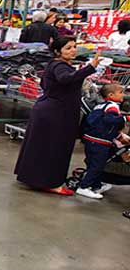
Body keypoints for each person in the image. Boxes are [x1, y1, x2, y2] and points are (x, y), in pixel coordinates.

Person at [14, 37, 101, 195]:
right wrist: (90, 68)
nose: (73, 50)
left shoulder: (56, 65)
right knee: (56, 148)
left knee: (42, 147)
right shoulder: (60, 66)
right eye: (68, 48)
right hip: (56, 114)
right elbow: (65, 79)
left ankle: (34, 178)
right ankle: (50, 183)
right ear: (57, 51)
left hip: (49, 111)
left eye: (74, 47)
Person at [75, 83, 126, 199]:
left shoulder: (101, 106)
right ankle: (83, 187)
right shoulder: (113, 106)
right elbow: (110, 121)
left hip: (91, 139)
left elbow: (103, 125)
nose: (124, 95)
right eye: (121, 92)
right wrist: (124, 118)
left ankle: (96, 185)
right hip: (100, 142)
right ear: (111, 95)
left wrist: (118, 137)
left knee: (94, 163)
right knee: (98, 165)